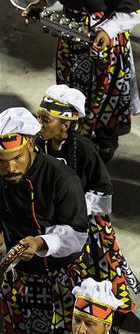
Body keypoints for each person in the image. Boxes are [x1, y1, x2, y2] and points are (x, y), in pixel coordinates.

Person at [22, 0, 140, 162]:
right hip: (71, 34)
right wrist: (41, 1)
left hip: (104, 42)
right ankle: (77, 134)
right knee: (71, 85)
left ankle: (107, 138)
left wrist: (107, 31)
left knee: (106, 92)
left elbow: (132, 13)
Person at [35, 85, 139, 315]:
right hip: (52, 220)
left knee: (97, 265)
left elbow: (103, 189)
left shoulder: (84, 149)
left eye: (45, 120)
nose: (39, 124)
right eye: (38, 118)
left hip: (86, 222)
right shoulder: (38, 145)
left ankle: (102, 308)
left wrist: (76, 207)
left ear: (65, 124)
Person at [0, 108, 89, 334]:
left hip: (60, 277)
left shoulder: (62, 178)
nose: (10, 168)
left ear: (30, 144)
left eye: (17, 158)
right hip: (18, 275)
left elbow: (78, 234)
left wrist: (41, 242)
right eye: (1, 161)